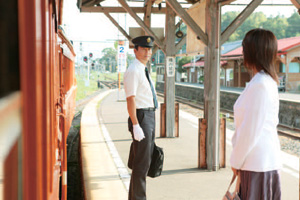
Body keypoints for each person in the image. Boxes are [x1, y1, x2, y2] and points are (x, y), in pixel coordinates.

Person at [230, 28, 282, 200]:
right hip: (263, 162)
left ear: (253, 51)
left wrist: (236, 161)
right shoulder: (267, 81)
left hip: (256, 163)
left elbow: (250, 131)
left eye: (245, 48)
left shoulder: (260, 84)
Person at [123, 36, 158, 200]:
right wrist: (136, 125)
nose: (147, 52)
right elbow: (131, 99)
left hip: (148, 116)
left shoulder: (143, 69)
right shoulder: (134, 70)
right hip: (142, 117)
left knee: (144, 162)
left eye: (149, 49)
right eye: (143, 49)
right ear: (135, 50)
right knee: (141, 164)